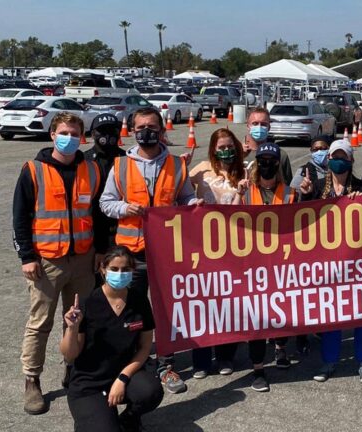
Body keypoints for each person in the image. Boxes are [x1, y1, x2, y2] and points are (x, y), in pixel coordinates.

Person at [100, 107, 201, 395]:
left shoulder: (177, 165)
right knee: (130, 310)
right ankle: (130, 364)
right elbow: (105, 203)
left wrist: (194, 205)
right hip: (130, 255)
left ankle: (166, 364)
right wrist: (124, 207)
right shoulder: (120, 166)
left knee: (166, 310)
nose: (146, 131)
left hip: (166, 253)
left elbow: (186, 198)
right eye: (141, 127)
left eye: (152, 127)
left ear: (162, 130)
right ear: (132, 131)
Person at [13, 112, 104, 415]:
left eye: (75, 133)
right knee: (40, 323)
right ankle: (32, 380)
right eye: (64, 132)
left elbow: (99, 216)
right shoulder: (33, 170)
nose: (69, 137)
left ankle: (74, 369)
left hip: (83, 259)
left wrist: (100, 251)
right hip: (47, 262)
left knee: (79, 319)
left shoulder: (90, 169)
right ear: (52, 135)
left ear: (82, 136)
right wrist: (27, 256)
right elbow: (20, 218)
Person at [61, 246, 163, 431]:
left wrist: (122, 378)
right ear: (103, 269)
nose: (120, 273)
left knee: (151, 392)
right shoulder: (87, 303)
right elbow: (70, 355)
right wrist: (72, 328)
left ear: (132, 271)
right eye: (114, 269)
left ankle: (129, 419)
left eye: (125, 269)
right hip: (89, 382)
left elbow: (144, 347)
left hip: (123, 373)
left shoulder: (139, 301)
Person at [299, 139, 362, 384]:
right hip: (328, 263)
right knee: (332, 312)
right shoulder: (318, 185)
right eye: (334, 156)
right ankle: (330, 360)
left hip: (357, 262)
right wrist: (305, 196)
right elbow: (301, 222)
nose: (338, 161)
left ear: (351, 160)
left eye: (343, 156)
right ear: (329, 160)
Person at [239, 142, 298, 392]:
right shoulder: (245, 192)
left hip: (281, 261)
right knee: (256, 316)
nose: (266, 164)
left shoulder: (290, 192)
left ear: (278, 163)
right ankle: (258, 368)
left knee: (281, 309)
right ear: (256, 163)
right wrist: (235, 193)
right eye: (261, 160)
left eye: (270, 160)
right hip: (252, 263)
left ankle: (281, 348)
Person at [188, 128, 247, 378]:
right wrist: (182, 167)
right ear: (213, 149)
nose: (226, 150)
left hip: (233, 246)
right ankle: (201, 359)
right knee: (201, 302)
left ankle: (225, 356)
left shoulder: (244, 171)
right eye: (221, 146)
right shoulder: (200, 169)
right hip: (202, 244)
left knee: (228, 303)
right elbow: (179, 193)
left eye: (230, 146)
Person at [85, 114, 126, 282]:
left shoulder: (128, 159)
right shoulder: (85, 161)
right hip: (94, 237)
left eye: (112, 131)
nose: (107, 136)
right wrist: (99, 247)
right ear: (93, 134)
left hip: (122, 234)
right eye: (102, 131)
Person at [242, 107, 293, 185]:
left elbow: (287, 186)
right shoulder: (239, 153)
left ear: (269, 127)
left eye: (263, 124)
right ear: (248, 126)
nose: (259, 127)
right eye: (255, 123)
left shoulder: (280, 155)